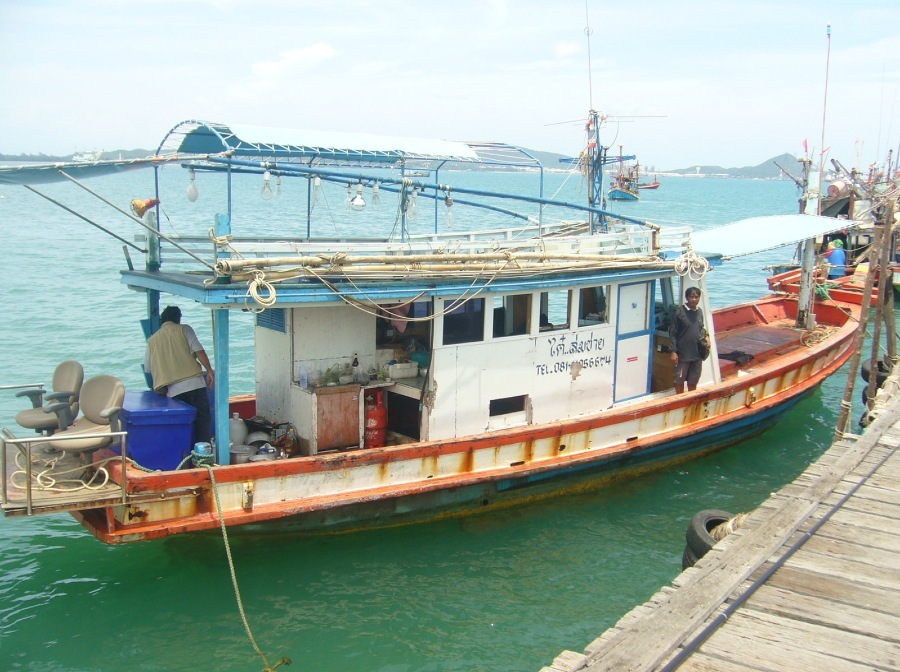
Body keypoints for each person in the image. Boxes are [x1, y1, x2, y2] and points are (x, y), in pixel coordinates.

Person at [144, 306, 214, 443]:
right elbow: (199, 351)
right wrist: (209, 370)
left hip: (173, 391)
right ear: (178, 318)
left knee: (183, 424)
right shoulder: (184, 329)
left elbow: (148, 368)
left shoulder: (152, 341)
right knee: (202, 421)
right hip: (195, 384)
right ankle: (203, 454)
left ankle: (185, 455)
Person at [669, 287, 706, 394]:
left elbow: (701, 328)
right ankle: (680, 400)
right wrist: (673, 351)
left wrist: (706, 335)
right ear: (687, 298)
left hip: (697, 354)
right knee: (679, 381)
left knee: (693, 380)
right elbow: (673, 332)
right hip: (683, 354)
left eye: (696, 297)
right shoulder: (680, 312)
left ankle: (691, 398)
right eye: (691, 297)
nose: (694, 299)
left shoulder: (699, 312)